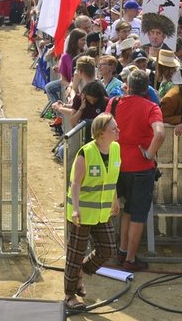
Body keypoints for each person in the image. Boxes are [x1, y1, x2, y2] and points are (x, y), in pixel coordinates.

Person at [108, 68, 165, 271]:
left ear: (128, 85)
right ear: (146, 88)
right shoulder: (151, 107)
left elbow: (103, 129)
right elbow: (160, 134)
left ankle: (121, 251)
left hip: (116, 165)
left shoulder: (113, 103)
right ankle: (130, 259)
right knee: (138, 214)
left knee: (127, 210)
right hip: (141, 168)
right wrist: (149, 154)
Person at [63, 113, 121, 310]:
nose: (118, 131)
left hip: (102, 213)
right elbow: (76, 183)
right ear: (101, 133)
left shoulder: (115, 149)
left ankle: (80, 271)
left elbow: (111, 178)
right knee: (75, 254)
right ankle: (70, 295)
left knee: (108, 249)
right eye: (114, 128)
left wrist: (114, 199)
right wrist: (75, 210)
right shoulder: (85, 153)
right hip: (82, 214)